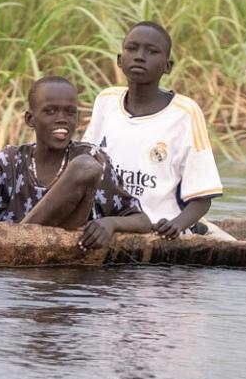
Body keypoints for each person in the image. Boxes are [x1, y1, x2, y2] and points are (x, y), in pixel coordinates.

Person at [0, 75, 153, 249]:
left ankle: (23, 243)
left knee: (85, 167)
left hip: (71, 272)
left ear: (77, 118)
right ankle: (22, 243)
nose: (62, 119)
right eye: (50, 111)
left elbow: (142, 221)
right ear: (30, 119)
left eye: (69, 112)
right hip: (15, 273)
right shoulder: (7, 163)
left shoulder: (93, 158)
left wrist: (110, 224)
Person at [83, 20, 224, 237]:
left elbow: (201, 199)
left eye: (152, 51)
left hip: (157, 229)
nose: (140, 56)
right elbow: (84, 167)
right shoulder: (106, 101)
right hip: (104, 226)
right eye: (132, 48)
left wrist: (176, 225)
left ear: (167, 66)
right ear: (120, 60)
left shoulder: (185, 113)